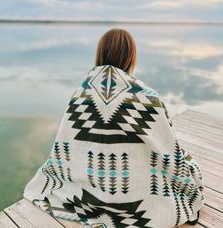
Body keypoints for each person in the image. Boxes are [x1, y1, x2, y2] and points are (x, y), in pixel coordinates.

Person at [23, 28, 204, 228]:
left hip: (86, 193)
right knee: (189, 166)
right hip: (140, 197)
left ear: (99, 53)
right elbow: (169, 148)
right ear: (130, 56)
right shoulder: (148, 98)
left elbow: (65, 146)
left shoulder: (79, 96)